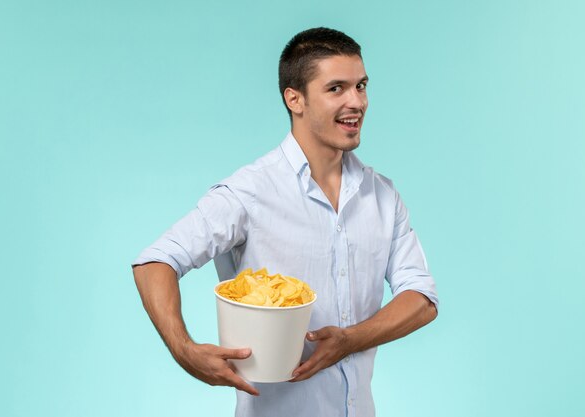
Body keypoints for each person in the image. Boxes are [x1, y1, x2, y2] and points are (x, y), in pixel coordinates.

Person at [132, 27, 438, 417]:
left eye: (361, 86)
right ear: (295, 99)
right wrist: (184, 350)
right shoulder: (250, 191)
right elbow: (154, 262)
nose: (356, 101)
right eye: (336, 89)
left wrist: (349, 339)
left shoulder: (382, 196)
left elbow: (422, 298)